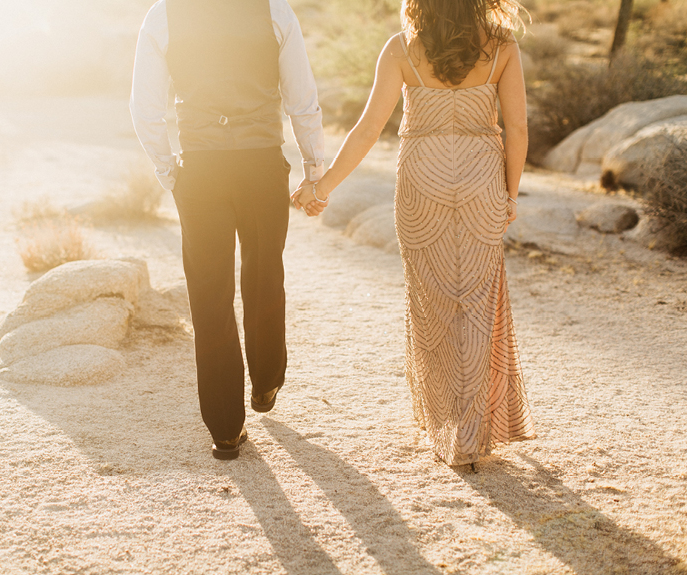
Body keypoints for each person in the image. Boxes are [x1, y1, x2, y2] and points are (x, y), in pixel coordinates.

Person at [293, 0, 535, 466]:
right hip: (482, 179)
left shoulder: (401, 48)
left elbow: (367, 130)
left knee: (434, 303)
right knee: (477, 302)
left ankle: (450, 430)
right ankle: (473, 430)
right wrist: (511, 193)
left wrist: (320, 188)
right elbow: (518, 128)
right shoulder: (502, 46)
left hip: (422, 183)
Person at [130, 0, 324, 460]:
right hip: (260, 165)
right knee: (264, 274)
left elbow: (146, 109)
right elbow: (302, 98)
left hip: (201, 168)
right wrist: (314, 169)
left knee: (209, 294)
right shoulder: (274, 10)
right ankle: (266, 382)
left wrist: (169, 172)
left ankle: (225, 429)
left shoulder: (164, 15)